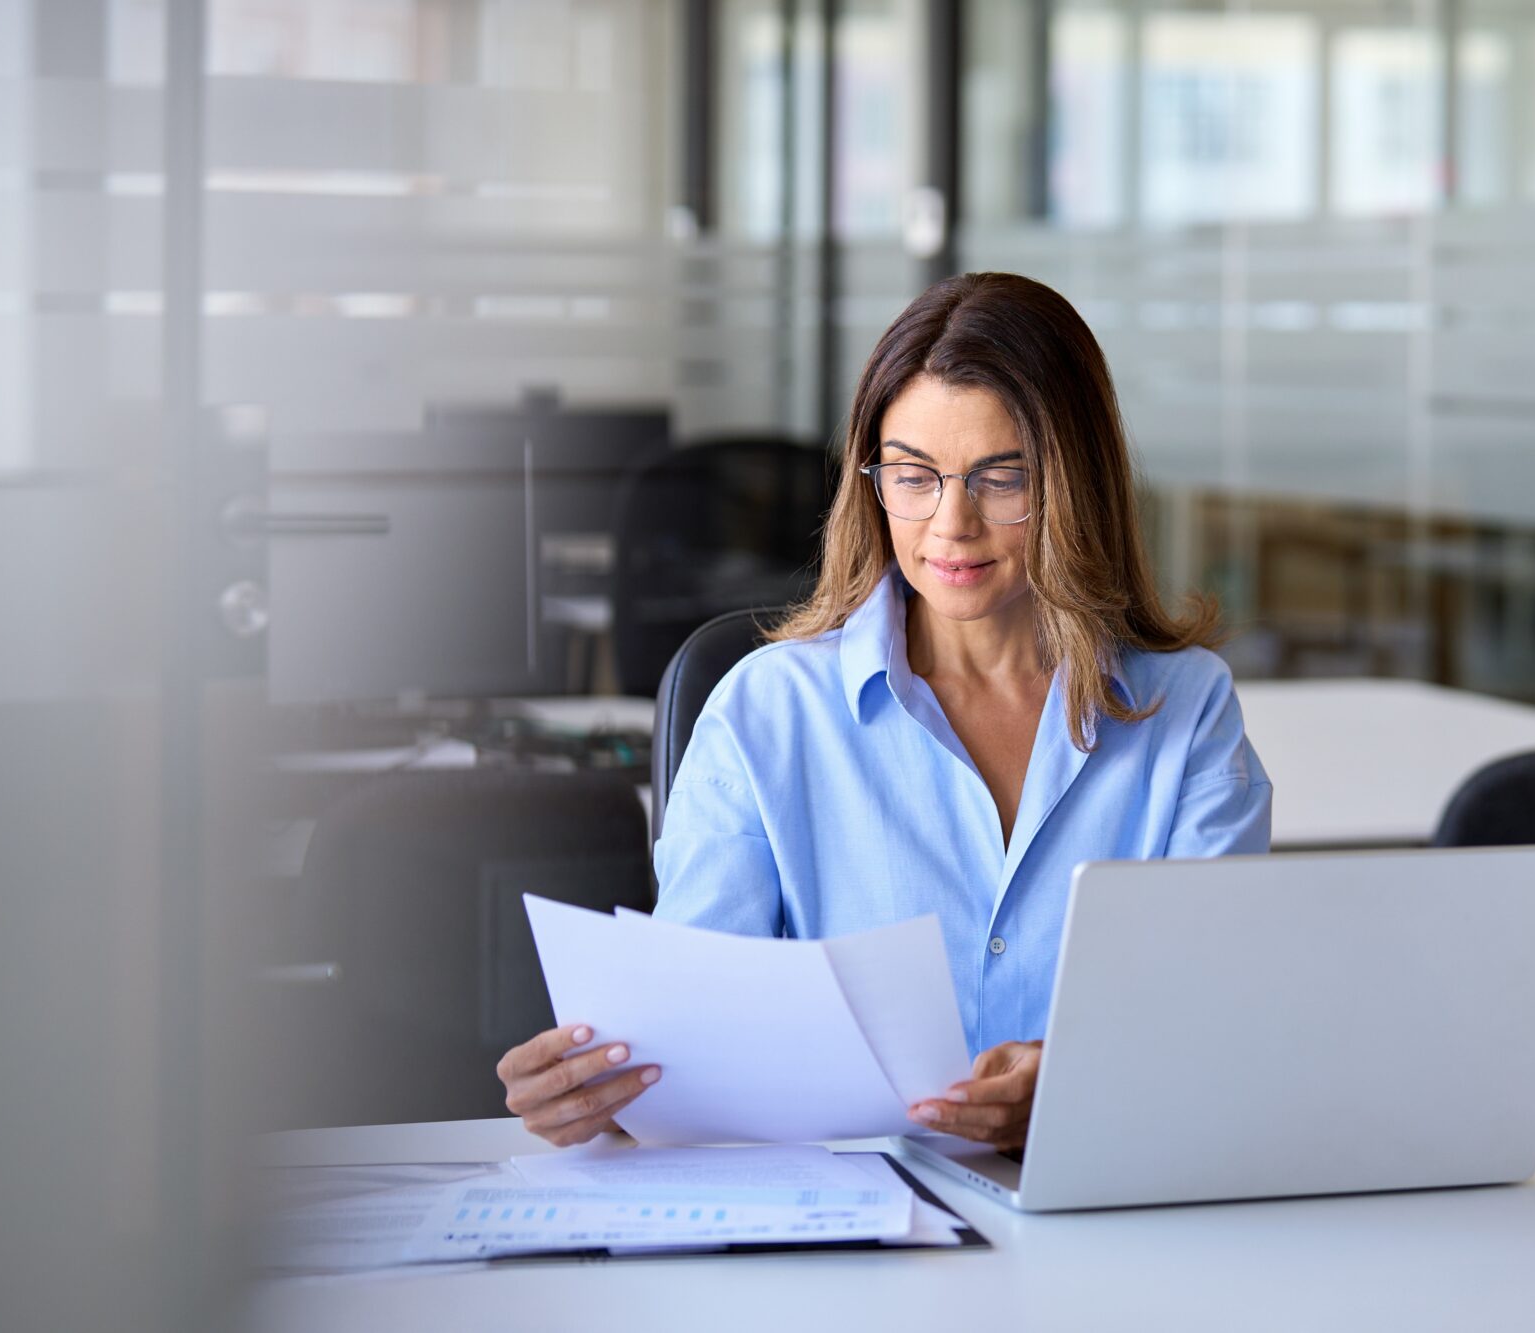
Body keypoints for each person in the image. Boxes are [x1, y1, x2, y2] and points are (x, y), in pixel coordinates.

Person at [497, 272, 1271, 1152]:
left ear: (1076, 483)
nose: (951, 523)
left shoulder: (1187, 712)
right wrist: (602, 1090)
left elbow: (1216, 1025)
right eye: (912, 475)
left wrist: (1080, 1082)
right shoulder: (766, 714)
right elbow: (693, 1046)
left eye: (1001, 478)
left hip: (1099, 1199)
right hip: (850, 1216)